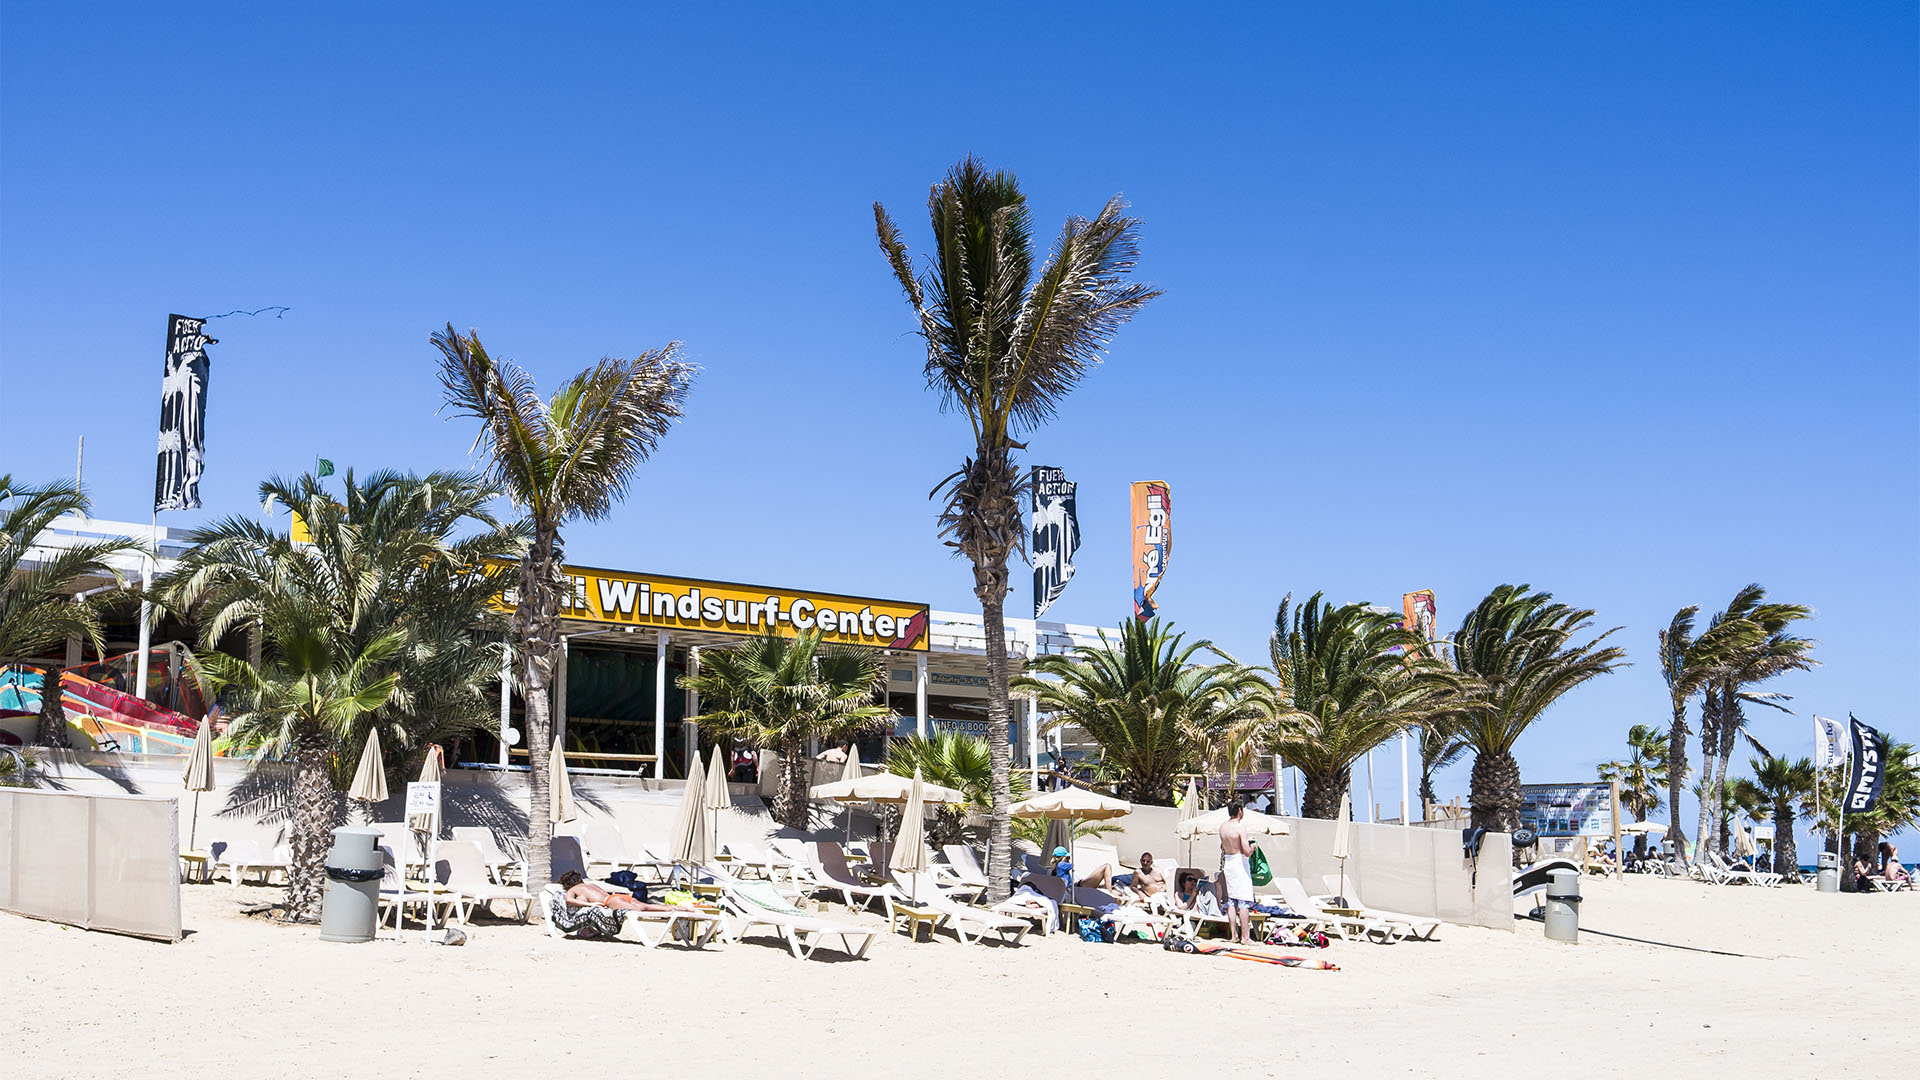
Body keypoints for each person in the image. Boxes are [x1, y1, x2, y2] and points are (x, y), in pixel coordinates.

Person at [1218, 797, 1255, 944]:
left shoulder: (1223, 827)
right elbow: (1246, 851)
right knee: (1244, 899)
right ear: (1240, 811)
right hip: (1240, 862)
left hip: (1229, 861)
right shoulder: (1240, 827)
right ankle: (1245, 937)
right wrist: (1253, 847)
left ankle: (1234, 935)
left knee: (1232, 900)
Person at [559, 870, 675, 912]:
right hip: (618, 896)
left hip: (611, 901)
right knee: (646, 906)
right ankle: (680, 908)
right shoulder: (591, 884)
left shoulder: (573, 889)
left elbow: (569, 900)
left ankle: (674, 909)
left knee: (642, 909)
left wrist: (590, 904)